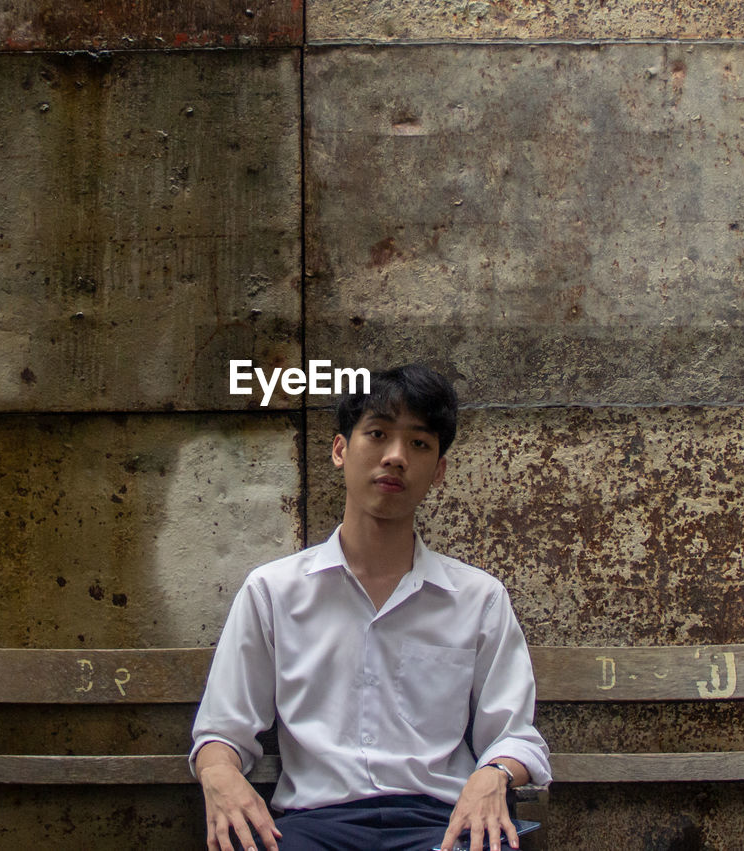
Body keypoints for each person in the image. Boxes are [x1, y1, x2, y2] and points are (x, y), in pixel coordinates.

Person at [191, 363, 550, 851]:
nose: (396, 457)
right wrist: (218, 773)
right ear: (341, 449)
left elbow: (515, 735)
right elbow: (223, 730)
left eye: (419, 444)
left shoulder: (478, 598)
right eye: (377, 434)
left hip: (440, 825)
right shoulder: (272, 591)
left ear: (439, 470)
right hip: (313, 824)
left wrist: (496, 774)